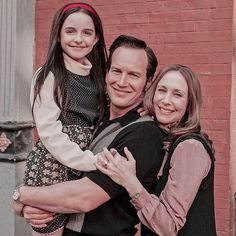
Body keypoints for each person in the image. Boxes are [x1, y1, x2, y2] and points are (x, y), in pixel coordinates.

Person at [12, 35, 166, 236]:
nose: (121, 82)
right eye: (116, 71)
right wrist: (27, 206)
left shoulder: (143, 135)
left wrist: (21, 195)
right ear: (106, 72)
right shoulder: (97, 118)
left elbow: (83, 197)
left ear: (148, 81)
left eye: (133, 75)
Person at [16, 2, 107, 236]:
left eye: (87, 33)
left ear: (97, 38)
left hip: (82, 171)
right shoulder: (49, 75)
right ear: (58, 34)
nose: (79, 39)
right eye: (70, 31)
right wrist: (90, 161)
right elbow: (49, 133)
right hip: (51, 167)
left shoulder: (99, 77)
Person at [97, 64, 217, 236]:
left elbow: (168, 226)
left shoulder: (189, 147)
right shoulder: (167, 139)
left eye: (177, 94)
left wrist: (130, 181)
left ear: (190, 104)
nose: (166, 100)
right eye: (161, 90)